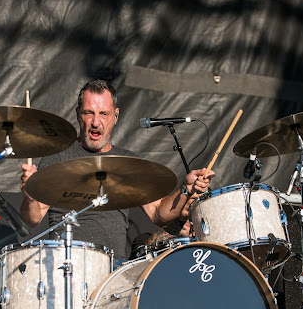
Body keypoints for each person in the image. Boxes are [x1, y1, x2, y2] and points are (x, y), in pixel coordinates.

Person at [19, 79, 214, 260]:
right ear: (78, 114)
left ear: (116, 116)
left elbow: (158, 214)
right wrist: (30, 198)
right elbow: (33, 218)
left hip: (113, 274)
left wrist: (185, 189)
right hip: (67, 265)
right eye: (89, 113)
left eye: (103, 114)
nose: (96, 122)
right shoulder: (58, 156)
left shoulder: (128, 162)